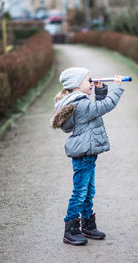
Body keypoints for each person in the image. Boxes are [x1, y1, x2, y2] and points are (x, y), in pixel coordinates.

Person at [50, 67, 125, 245]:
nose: (92, 83)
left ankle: (87, 225)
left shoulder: (78, 101)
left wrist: (100, 90)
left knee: (88, 191)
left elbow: (95, 110)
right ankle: (71, 230)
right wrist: (117, 87)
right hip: (84, 155)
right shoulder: (82, 104)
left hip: (87, 155)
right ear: (76, 85)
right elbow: (104, 106)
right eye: (88, 80)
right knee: (80, 192)